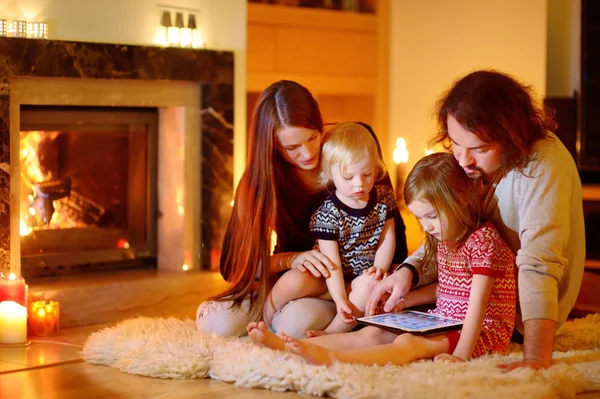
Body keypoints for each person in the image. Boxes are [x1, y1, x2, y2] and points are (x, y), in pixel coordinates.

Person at [365, 70, 585, 370]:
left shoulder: (543, 166)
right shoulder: (471, 165)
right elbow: (454, 231)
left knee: (404, 343)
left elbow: (539, 265)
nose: (463, 159)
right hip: (463, 298)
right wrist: (408, 271)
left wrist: (535, 358)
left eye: (480, 149)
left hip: (512, 316)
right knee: (377, 326)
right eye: (455, 143)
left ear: (512, 136)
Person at [247, 152, 517, 366]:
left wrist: (461, 355)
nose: (427, 226)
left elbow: (478, 306)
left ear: (461, 201)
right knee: (373, 333)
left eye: (432, 216)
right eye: (420, 218)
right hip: (447, 319)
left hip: (482, 330)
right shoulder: (445, 240)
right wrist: (405, 302)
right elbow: (450, 288)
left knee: (409, 345)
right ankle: (288, 349)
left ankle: (332, 360)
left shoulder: (484, 241)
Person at [196, 80, 408, 337]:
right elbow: (233, 265)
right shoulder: (261, 180)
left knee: (294, 325)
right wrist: (291, 259)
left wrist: (373, 280)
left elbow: (393, 236)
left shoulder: (350, 147)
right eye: (292, 147)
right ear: (272, 145)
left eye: (313, 137)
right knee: (215, 325)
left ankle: (328, 324)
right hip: (295, 283)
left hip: (354, 284)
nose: (307, 153)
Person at [263, 122, 397, 336]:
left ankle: (330, 334)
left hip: (358, 279)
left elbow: (387, 238)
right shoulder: (328, 214)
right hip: (326, 277)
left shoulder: (383, 198)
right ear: (329, 174)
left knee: (371, 285)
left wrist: (380, 268)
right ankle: (266, 318)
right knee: (293, 279)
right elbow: (331, 262)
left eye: (367, 174)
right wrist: (339, 298)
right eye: (349, 177)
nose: (359, 184)